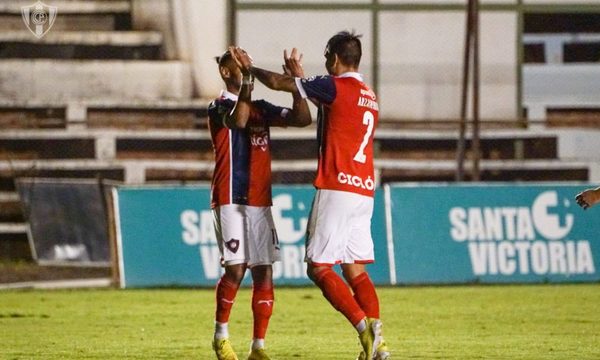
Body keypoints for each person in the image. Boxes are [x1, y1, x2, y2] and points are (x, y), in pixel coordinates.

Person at [231, 31, 390, 360]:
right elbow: (326, 105)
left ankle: (365, 330)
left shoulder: (335, 85)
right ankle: (379, 343)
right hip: (364, 190)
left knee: (318, 267)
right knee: (355, 270)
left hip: (338, 186)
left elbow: (277, 84)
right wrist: (302, 82)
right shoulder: (368, 94)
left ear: (334, 59)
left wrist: (251, 70)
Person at [209, 48, 311, 360]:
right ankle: (221, 336)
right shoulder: (218, 106)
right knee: (236, 270)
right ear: (227, 72)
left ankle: (258, 348)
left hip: (258, 198)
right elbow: (238, 122)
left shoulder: (261, 107)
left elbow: (303, 119)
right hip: (229, 197)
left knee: (264, 272)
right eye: (237, 65)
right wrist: (250, 79)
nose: (243, 67)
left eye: (246, 63)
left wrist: (296, 86)